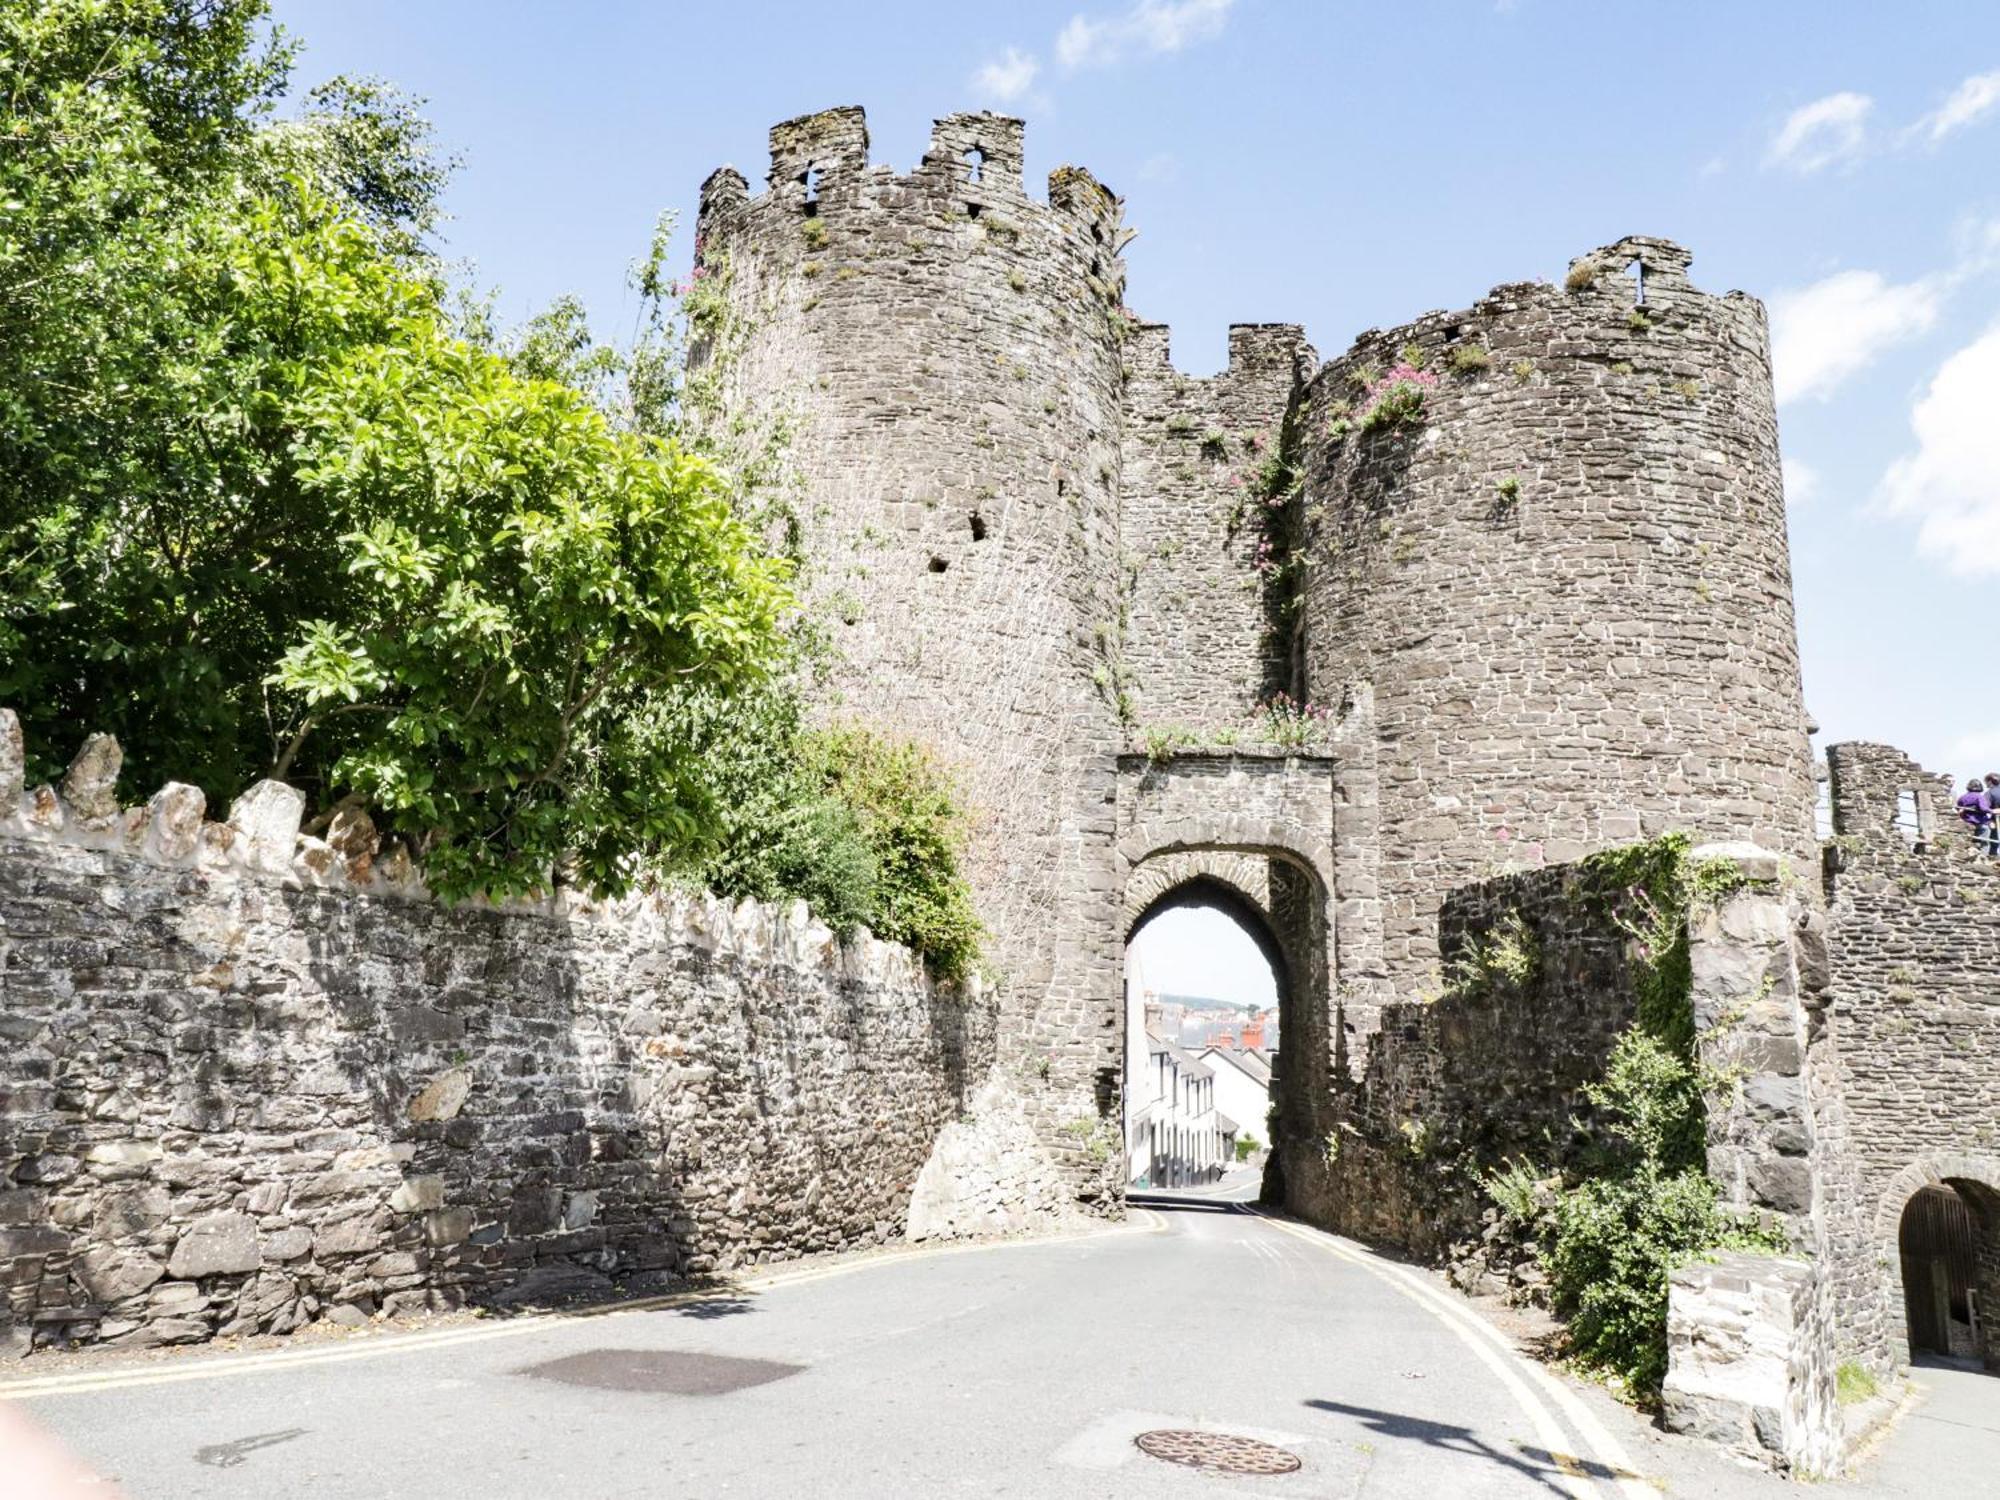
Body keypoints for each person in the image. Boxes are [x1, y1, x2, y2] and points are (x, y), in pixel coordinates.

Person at [1957, 778, 1996, 855]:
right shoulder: (1979, 796)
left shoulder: (1963, 797)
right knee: (1984, 840)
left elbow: (1958, 807)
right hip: (1979, 821)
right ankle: (1983, 855)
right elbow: (1983, 808)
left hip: (1967, 820)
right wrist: (1992, 811)